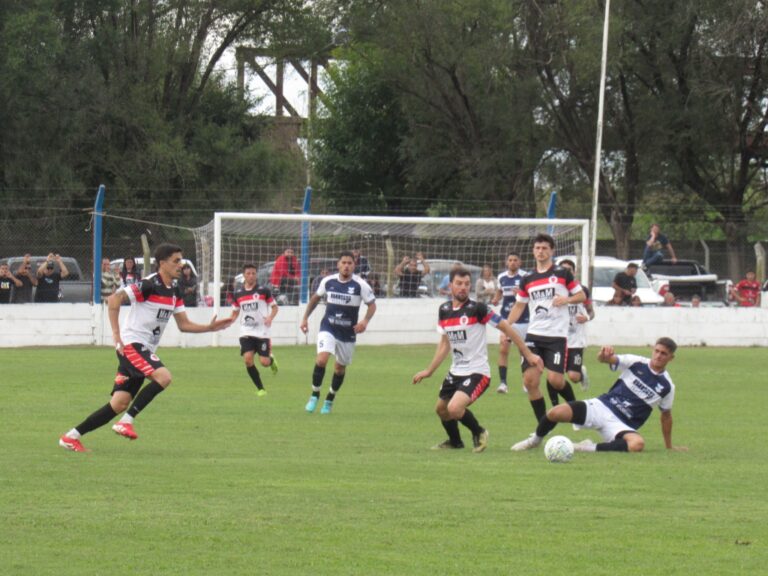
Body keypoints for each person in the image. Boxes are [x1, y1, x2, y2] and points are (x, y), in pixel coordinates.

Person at [58, 243, 232, 452]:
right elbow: (114, 299)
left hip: (144, 350)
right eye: (176, 261)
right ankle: (126, 421)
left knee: (119, 403)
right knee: (164, 377)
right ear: (162, 263)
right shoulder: (149, 285)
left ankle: (71, 436)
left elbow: (184, 325)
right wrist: (116, 334)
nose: (180, 265)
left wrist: (210, 328)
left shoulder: (174, 290)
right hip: (132, 346)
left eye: (181, 261)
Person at [413, 267, 543, 452]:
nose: (463, 288)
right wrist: (429, 371)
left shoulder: (478, 309)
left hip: (477, 372)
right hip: (456, 371)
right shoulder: (444, 310)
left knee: (454, 409)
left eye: (467, 284)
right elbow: (444, 344)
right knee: (441, 409)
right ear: (450, 286)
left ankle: (479, 432)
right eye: (459, 284)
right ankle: (455, 442)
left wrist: (527, 354)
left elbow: (507, 328)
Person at [511, 338, 687, 454]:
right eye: (657, 350)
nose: (658, 355)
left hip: (621, 425)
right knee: (554, 413)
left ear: (671, 357)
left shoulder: (667, 386)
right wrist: (604, 356)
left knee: (637, 444)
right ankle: (534, 440)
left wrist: (669, 446)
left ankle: (584, 447)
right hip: (601, 406)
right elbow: (607, 360)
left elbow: (666, 417)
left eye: (663, 353)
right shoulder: (637, 363)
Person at [506, 234, 586, 425]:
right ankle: (543, 425)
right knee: (530, 381)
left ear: (552, 251)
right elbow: (519, 306)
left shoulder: (562, 274)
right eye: (537, 248)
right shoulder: (527, 279)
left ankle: (577, 411)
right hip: (534, 335)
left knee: (555, 381)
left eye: (544, 248)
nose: (541, 251)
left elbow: (581, 295)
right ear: (533, 251)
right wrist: (506, 328)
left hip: (556, 336)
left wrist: (566, 299)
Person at [300, 251, 377, 414]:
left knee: (339, 369)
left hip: (347, 333)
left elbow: (372, 305)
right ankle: (314, 394)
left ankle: (330, 398)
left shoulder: (360, 285)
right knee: (321, 360)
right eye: (344, 263)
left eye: (350, 263)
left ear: (354, 265)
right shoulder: (328, 281)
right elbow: (315, 299)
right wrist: (305, 318)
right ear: (338, 265)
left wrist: (364, 321)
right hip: (328, 327)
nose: (346, 266)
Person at [230, 263, 279, 396]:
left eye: (253, 273)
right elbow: (235, 312)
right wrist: (228, 321)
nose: (251, 276)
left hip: (262, 331)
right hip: (246, 331)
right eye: (248, 273)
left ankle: (271, 360)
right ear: (244, 276)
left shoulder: (264, 290)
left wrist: (270, 317)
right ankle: (260, 388)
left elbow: (275, 307)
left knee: (264, 362)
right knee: (247, 360)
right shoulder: (238, 294)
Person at [556, 259, 595, 397]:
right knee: (556, 375)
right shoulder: (554, 290)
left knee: (573, 376)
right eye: (563, 270)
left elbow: (591, 311)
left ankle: (581, 374)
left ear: (574, 272)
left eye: (569, 270)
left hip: (576, 338)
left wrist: (587, 318)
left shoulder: (582, 290)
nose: (566, 273)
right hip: (558, 337)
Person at [492, 252, 529, 394]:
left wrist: (520, 293)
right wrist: (496, 299)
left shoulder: (525, 277)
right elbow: (499, 292)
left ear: (520, 263)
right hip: (506, 319)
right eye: (510, 260)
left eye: (515, 260)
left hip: (523, 319)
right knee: (503, 348)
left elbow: (530, 295)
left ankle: (526, 382)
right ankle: (503, 384)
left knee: (523, 351)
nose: (512, 262)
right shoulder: (501, 277)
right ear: (507, 262)